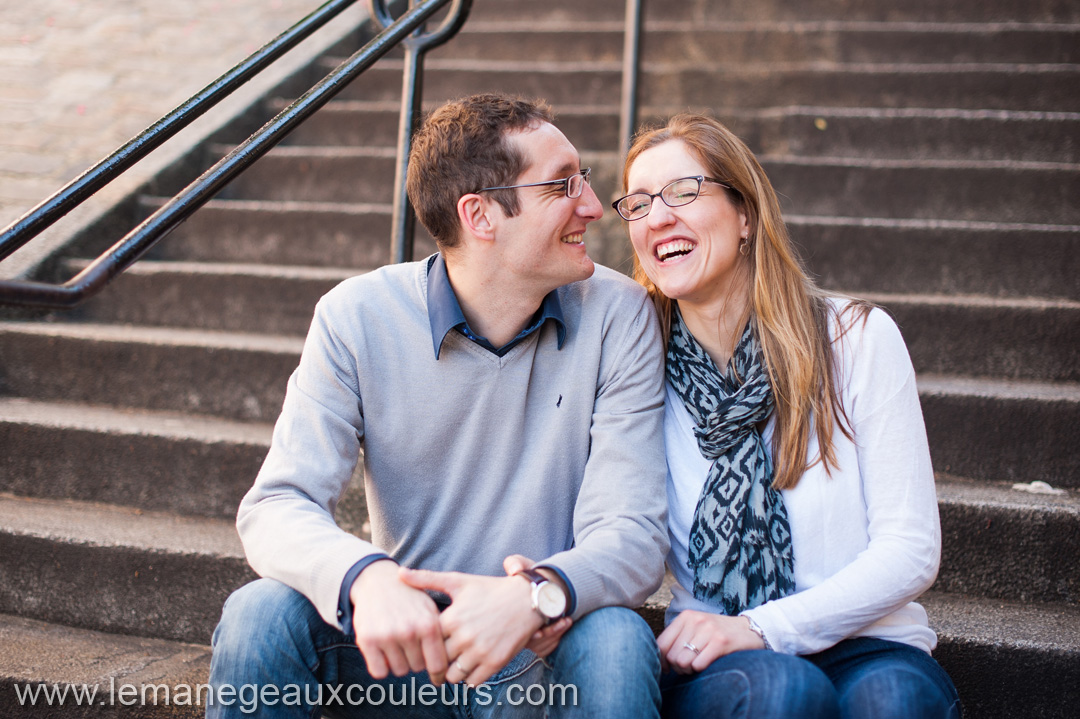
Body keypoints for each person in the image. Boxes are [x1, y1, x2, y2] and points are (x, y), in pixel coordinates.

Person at [206, 93, 669, 718]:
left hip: (538, 653)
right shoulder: (356, 316)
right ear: (480, 215)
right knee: (261, 614)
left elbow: (632, 533)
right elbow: (276, 505)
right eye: (563, 186)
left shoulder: (621, 315)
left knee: (617, 637)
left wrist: (535, 594)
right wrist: (365, 579)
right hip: (401, 656)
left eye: (583, 180)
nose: (593, 206)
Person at [613, 114, 962, 719]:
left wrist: (764, 626)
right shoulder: (635, 368)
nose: (658, 216)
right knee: (784, 692)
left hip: (870, 644)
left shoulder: (856, 338)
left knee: (894, 702)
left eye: (684, 192)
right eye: (638, 204)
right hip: (720, 658)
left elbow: (909, 549)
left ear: (746, 215)